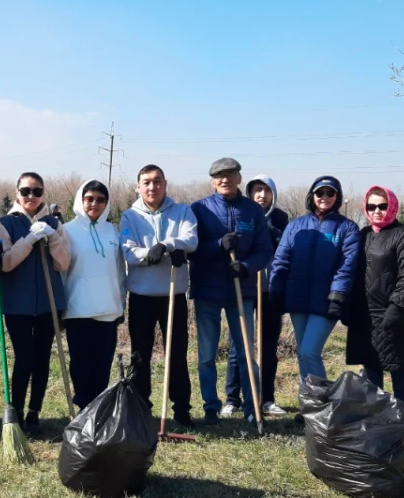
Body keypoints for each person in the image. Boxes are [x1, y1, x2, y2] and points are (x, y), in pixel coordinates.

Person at [190, 158, 274, 425]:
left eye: (230, 175)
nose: (224, 180)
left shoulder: (252, 211)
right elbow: (192, 249)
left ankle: (252, 409)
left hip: (242, 291)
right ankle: (211, 408)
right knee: (206, 355)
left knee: (247, 352)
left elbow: (265, 250)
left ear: (239, 178)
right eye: (218, 176)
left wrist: (246, 267)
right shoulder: (200, 209)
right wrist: (218, 244)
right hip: (207, 292)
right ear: (212, 181)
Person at [0, 172, 72, 431]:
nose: (31, 196)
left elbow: (64, 262)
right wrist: (29, 240)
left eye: (37, 192)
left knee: (42, 358)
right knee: (24, 357)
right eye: (26, 191)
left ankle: (34, 411)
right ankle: (15, 410)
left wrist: (52, 238)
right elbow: (6, 263)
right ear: (17, 193)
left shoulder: (53, 223)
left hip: (49, 302)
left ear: (43, 194)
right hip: (17, 304)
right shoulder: (4, 224)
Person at [120, 164, 198, 426]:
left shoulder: (182, 211)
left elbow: (191, 238)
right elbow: (129, 251)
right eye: (146, 182)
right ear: (138, 186)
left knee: (176, 354)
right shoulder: (130, 216)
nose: (152, 187)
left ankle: (181, 409)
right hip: (141, 296)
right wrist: (149, 254)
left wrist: (167, 244)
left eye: (157, 181)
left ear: (165, 184)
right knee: (139, 354)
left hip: (173, 295)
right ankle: (141, 407)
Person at [269, 175, 360, 387]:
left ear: (337, 197)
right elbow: (281, 260)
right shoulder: (296, 226)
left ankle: (322, 404)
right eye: (320, 192)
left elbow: (347, 265)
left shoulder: (347, 228)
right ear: (312, 195)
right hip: (298, 299)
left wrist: (338, 294)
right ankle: (308, 404)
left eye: (330, 193)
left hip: (327, 301)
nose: (324, 197)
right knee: (303, 354)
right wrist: (277, 290)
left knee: (310, 351)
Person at [344, 186, 404, 404]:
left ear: (392, 206)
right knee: (371, 362)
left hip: (391, 310)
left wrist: (397, 306)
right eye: (371, 206)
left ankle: (401, 408)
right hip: (364, 312)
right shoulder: (363, 235)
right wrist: (348, 303)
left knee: (396, 362)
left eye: (382, 206)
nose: (377, 210)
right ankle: (375, 409)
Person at [224, 174, 289, 416]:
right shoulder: (244, 215)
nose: (262, 195)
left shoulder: (281, 219)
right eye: (257, 190)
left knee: (268, 346)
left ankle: (266, 397)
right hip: (244, 288)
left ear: (273, 193)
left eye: (266, 190)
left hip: (270, 291)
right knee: (238, 344)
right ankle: (233, 398)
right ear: (250, 193)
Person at [62, 180, 126, 411]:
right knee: (80, 364)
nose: (95, 203)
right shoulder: (67, 230)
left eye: (101, 199)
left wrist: (121, 302)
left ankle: (99, 408)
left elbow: (119, 270)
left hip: (108, 307)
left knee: (102, 363)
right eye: (90, 198)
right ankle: (83, 407)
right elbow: (61, 271)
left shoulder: (112, 231)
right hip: (77, 308)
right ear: (81, 199)